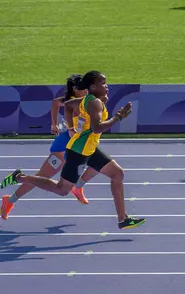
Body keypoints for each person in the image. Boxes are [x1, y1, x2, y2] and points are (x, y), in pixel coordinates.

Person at [0, 71, 146, 229]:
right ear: (91, 86)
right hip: (76, 150)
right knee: (59, 188)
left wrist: (71, 126)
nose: (107, 86)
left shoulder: (87, 99)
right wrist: (117, 117)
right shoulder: (90, 102)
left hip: (88, 148)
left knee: (117, 173)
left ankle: (121, 218)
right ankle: (19, 178)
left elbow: (70, 107)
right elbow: (95, 127)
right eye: (103, 83)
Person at [1, 74, 97, 219]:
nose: (87, 91)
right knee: (43, 177)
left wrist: (54, 123)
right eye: (84, 88)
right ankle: (10, 199)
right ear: (76, 90)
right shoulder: (71, 102)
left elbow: (54, 102)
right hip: (63, 145)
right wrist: (54, 123)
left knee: (99, 164)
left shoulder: (85, 101)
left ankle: (78, 186)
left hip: (78, 144)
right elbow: (55, 103)